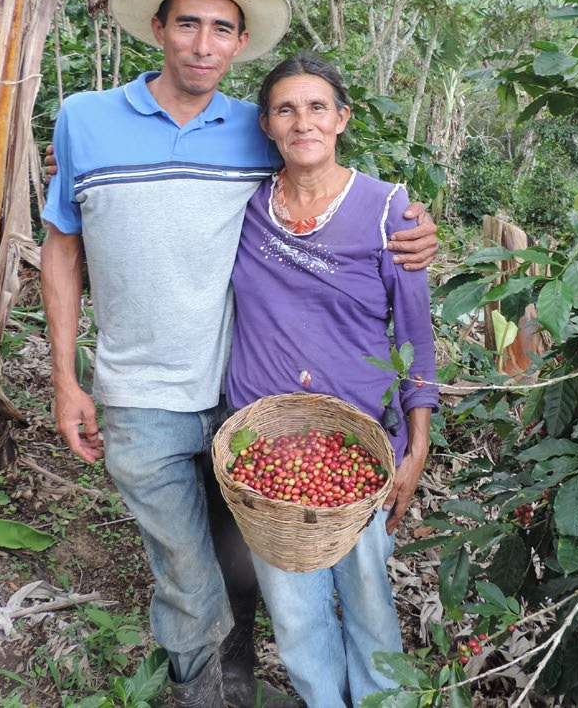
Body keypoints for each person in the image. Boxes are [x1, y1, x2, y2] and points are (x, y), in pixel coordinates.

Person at [40, 0, 438, 708]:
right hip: (139, 393)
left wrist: (415, 231)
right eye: (187, 24)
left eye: (221, 29)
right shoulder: (84, 121)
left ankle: (261, 681)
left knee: (253, 565)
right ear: (158, 27)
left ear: (240, 42)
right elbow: (63, 248)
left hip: (243, 399)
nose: (202, 43)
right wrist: (64, 377)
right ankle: (208, 695)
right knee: (188, 574)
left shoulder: (252, 132)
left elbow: (325, 181)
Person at [226, 54, 438, 708]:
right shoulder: (243, 207)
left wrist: (416, 448)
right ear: (266, 124)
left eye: (317, 107)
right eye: (286, 109)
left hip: (362, 447)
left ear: (341, 118)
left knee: (369, 596)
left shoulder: (387, 211)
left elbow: (414, 337)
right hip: (266, 450)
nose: (302, 122)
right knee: (294, 611)